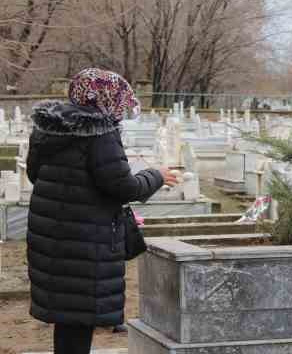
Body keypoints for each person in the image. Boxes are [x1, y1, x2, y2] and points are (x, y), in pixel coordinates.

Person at [26, 68, 179, 354]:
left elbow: (35, 175)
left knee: (67, 317)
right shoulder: (100, 132)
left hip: (51, 235)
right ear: (106, 96)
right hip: (85, 239)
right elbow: (123, 187)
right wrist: (156, 175)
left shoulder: (47, 128)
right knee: (79, 318)